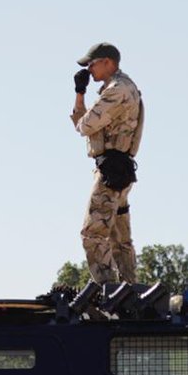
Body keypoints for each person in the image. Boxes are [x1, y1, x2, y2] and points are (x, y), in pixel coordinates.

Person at [70, 42, 144, 285]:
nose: (89, 69)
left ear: (108, 62)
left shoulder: (117, 90)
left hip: (111, 171)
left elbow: (85, 125)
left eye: (92, 64)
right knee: (119, 237)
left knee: (92, 234)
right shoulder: (125, 88)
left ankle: (109, 292)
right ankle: (129, 289)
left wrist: (80, 95)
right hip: (119, 170)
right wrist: (80, 93)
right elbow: (85, 124)